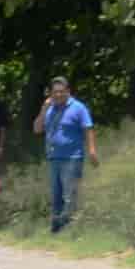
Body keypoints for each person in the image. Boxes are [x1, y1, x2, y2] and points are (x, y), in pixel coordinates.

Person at [37, 76, 97, 234]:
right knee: (56, 194)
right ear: (51, 94)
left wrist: (91, 150)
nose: (58, 95)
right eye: (55, 92)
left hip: (72, 157)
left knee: (69, 194)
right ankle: (56, 227)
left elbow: (88, 128)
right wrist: (43, 109)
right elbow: (37, 129)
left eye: (61, 92)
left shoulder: (78, 108)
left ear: (68, 91)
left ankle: (69, 227)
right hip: (54, 157)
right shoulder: (49, 109)